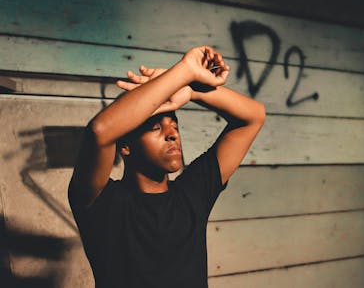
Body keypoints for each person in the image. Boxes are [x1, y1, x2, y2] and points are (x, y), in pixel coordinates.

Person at [68, 46, 266, 287]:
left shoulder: (192, 193)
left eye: (175, 126)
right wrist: (184, 71)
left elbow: (253, 117)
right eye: (155, 128)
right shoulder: (103, 202)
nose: (172, 134)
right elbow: (100, 132)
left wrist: (192, 92)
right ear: (126, 147)